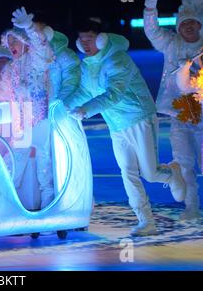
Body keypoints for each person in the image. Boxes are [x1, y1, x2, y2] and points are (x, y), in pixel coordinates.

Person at [67, 18, 187, 236]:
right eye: (82, 39)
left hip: (139, 118)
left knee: (149, 173)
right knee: (128, 172)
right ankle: (146, 221)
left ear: (101, 39)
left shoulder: (117, 60)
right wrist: (62, 105)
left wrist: (85, 110)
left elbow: (113, 94)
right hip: (116, 125)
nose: (85, 44)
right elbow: (85, 92)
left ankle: (172, 173)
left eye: (90, 39)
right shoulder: (88, 65)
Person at [0, 7, 55, 210]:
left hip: (41, 122)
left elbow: (42, 46)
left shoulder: (36, 59)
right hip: (22, 127)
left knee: (45, 168)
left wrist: (30, 27)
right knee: (13, 167)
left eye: (14, 40)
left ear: (24, 40)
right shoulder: (11, 69)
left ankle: (49, 208)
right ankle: (5, 208)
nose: (11, 45)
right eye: (9, 43)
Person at [143, 0, 202, 221]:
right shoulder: (171, 44)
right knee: (184, 162)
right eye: (184, 23)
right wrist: (150, 5)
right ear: (178, 27)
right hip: (179, 115)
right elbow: (152, 31)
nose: (188, 26)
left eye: (193, 23)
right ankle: (192, 207)